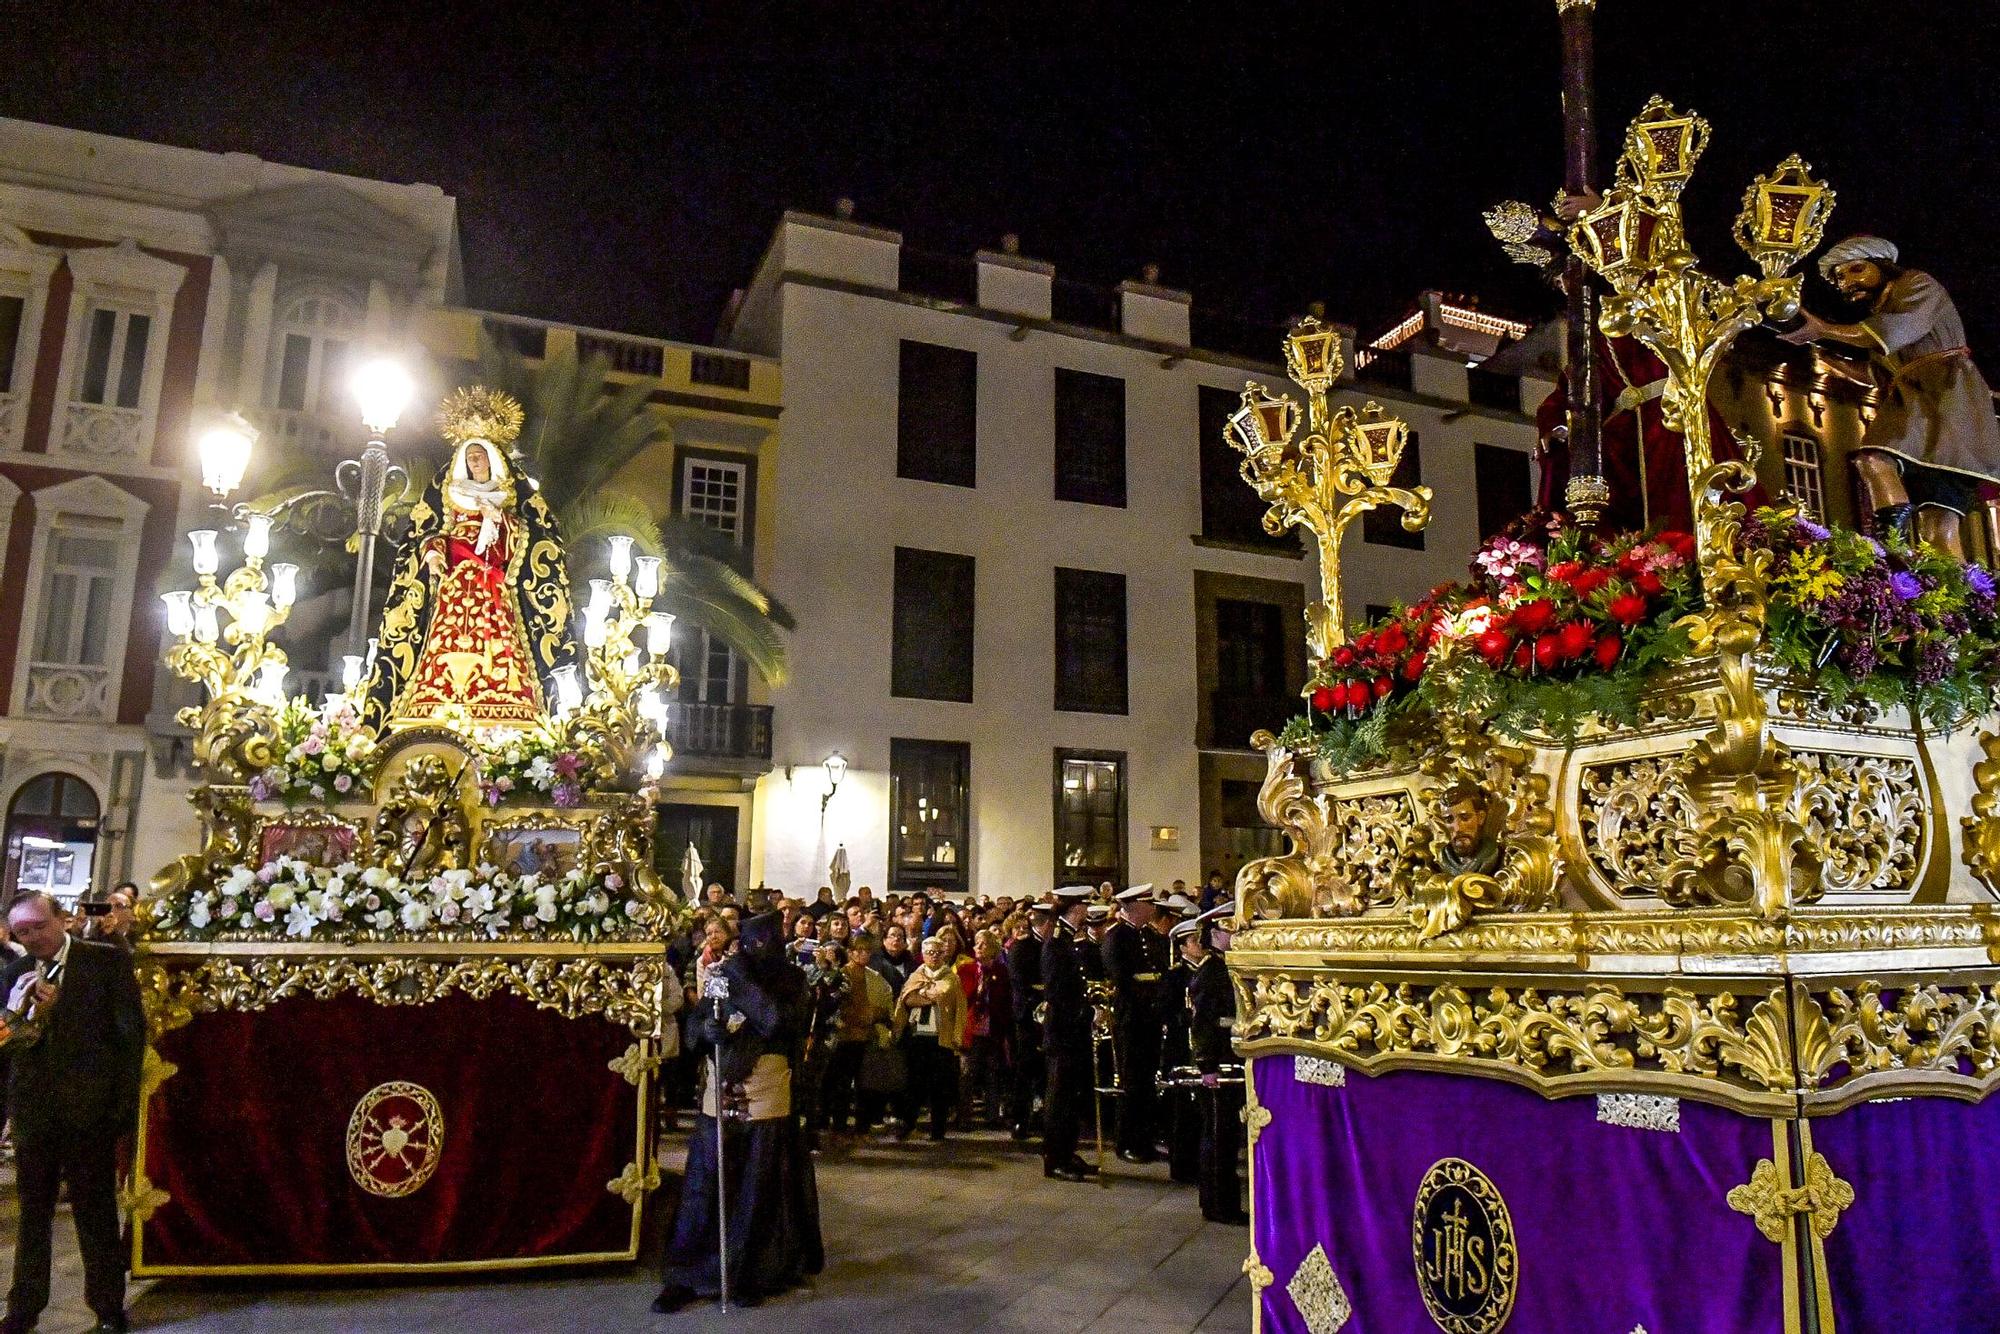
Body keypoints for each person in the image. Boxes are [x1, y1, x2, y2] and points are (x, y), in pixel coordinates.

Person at [1780, 235, 2000, 557]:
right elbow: (1879, 373)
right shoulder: (1880, 311)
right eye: (1840, 278)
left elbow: (1889, 332)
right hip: (1917, 399)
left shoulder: (1916, 285)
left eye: (1856, 270)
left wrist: (1824, 329)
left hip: (1945, 397)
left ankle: (1890, 547)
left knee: (1874, 458)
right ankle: (1955, 599)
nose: (1847, 283)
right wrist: (1832, 361)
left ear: (1882, 266)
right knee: (1935, 523)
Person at [362, 403, 578, 730]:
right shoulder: (452, 493)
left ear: (492, 459)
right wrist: (433, 554)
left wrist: (501, 521)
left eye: (480, 456)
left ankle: (504, 700)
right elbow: (427, 531)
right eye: (470, 457)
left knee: (499, 641)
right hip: (453, 581)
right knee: (443, 641)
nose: (475, 461)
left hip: (492, 582)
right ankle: (432, 700)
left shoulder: (509, 497)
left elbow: (539, 535)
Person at [656, 911, 822, 1311]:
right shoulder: (721, 976)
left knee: (756, 1190)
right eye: (748, 943)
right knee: (704, 1187)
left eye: (764, 943)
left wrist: (743, 985)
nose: (754, 951)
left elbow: (776, 1022)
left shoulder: (793, 981)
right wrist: (703, 1031)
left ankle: (749, 1271)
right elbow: (697, 1023)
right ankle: (688, 1273)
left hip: (766, 1096)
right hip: (720, 1093)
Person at [1, 891, 145, 1334]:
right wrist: (19, 1014)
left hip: (90, 1110)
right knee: (34, 1214)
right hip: (35, 1113)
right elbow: (9, 1044)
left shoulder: (105, 963)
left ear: (61, 920)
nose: (33, 939)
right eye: (22, 933)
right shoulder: (15, 971)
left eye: (39, 928)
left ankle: (107, 1307)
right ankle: (24, 1307)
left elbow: (129, 1037)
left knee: (95, 1211)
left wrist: (120, 1108)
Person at [1179, 905, 1247, 1225]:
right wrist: (1207, 1066)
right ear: (1216, 934)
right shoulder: (1211, 973)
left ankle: (1219, 1201)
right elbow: (1203, 1025)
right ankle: (1220, 1204)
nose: (1235, 935)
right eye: (1230, 929)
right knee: (1219, 1134)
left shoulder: (1223, 968)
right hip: (1218, 1061)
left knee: (1225, 1133)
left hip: (1227, 1057)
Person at [1103, 884, 1169, 1164]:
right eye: (1147, 903)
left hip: (1149, 1018)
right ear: (1133, 907)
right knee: (1131, 1081)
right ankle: (1126, 1141)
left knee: (1146, 1081)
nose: (1152, 908)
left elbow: (1158, 974)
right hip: (1131, 1018)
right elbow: (1121, 978)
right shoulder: (1116, 937)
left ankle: (1143, 1138)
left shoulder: (1148, 937)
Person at [1041, 886, 1098, 1182]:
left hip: (1073, 1032)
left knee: (1071, 1097)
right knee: (1059, 1098)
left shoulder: (1070, 941)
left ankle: (1067, 1150)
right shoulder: (1056, 942)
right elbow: (1057, 990)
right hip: (1063, 1032)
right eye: (1086, 907)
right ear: (1076, 909)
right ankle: (1055, 1158)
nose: (1088, 912)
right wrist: (1082, 1012)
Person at [893, 935, 965, 1142]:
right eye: (929, 952)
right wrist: (924, 994)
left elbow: (955, 1005)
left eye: (938, 952)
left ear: (944, 954)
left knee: (939, 1087)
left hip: (940, 1038)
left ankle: (938, 1129)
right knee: (913, 1084)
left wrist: (957, 1036)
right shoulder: (916, 975)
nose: (933, 956)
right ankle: (908, 1124)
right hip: (917, 1037)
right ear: (922, 954)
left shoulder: (951, 978)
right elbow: (906, 999)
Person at [959, 929, 1013, 1131]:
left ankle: (992, 1116)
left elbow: (1006, 1000)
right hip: (972, 1028)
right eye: (977, 944)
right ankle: (965, 1116)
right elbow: (964, 996)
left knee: (993, 1073)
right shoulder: (967, 969)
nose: (978, 948)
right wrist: (979, 989)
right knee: (967, 1075)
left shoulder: (1002, 971)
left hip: (993, 1029)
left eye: (984, 944)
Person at [1005, 904, 1048, 1143]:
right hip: (1029, 1017)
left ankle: (1041, 1115)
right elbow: (1020, 985)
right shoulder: (1022, 948)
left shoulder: (1048, 946)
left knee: (1044, 1071)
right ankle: (1019, 1118)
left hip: (1048, 1016)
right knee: (1025, 1069)